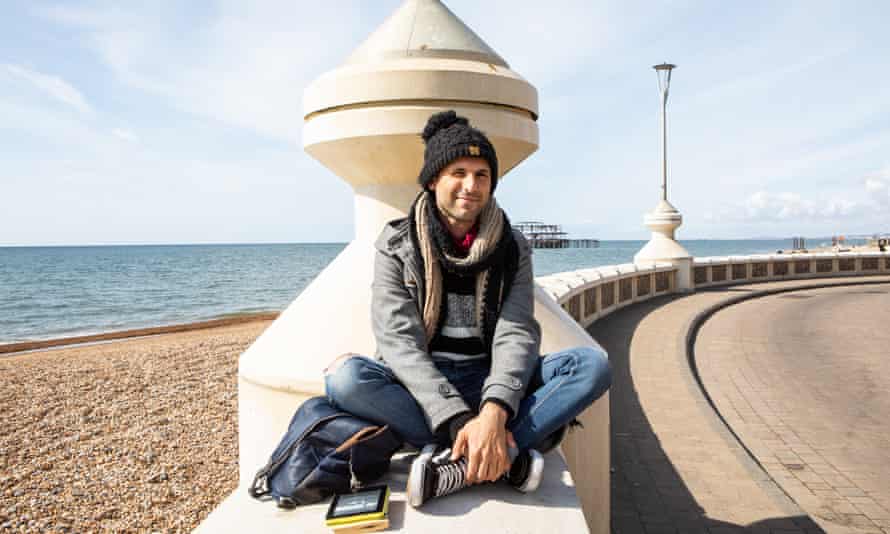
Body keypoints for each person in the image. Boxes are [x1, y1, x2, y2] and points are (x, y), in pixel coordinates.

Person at [324, 110, 611, 508]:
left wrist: (494, 411)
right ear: (433, 180)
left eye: (482, 175)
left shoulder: (511, 247)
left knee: (591, 366)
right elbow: (398, 342)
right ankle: (504, 457)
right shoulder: (396, 245)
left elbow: (516, 330)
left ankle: (456, 465)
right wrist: (461, 420)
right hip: (422, 385)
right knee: (345, 379)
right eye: (458, 172)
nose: (470, 186)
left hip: (488, 375)